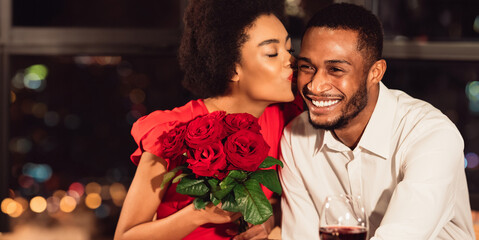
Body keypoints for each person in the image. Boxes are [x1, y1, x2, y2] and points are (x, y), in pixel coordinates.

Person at [279, 3, 475, 240]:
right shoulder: (295, 137)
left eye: (336, 69)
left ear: (375, 72)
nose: (314, 85)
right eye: (307, 67)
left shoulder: (431, 134)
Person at [114, 0, 303, 240]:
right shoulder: (172, 132)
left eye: (289, 50)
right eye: (272, 53)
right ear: (232, 68)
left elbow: (282, 202)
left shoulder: (282, 120)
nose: (290, 61)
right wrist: (198, 214)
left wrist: (268, 222)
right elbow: (125, 236)